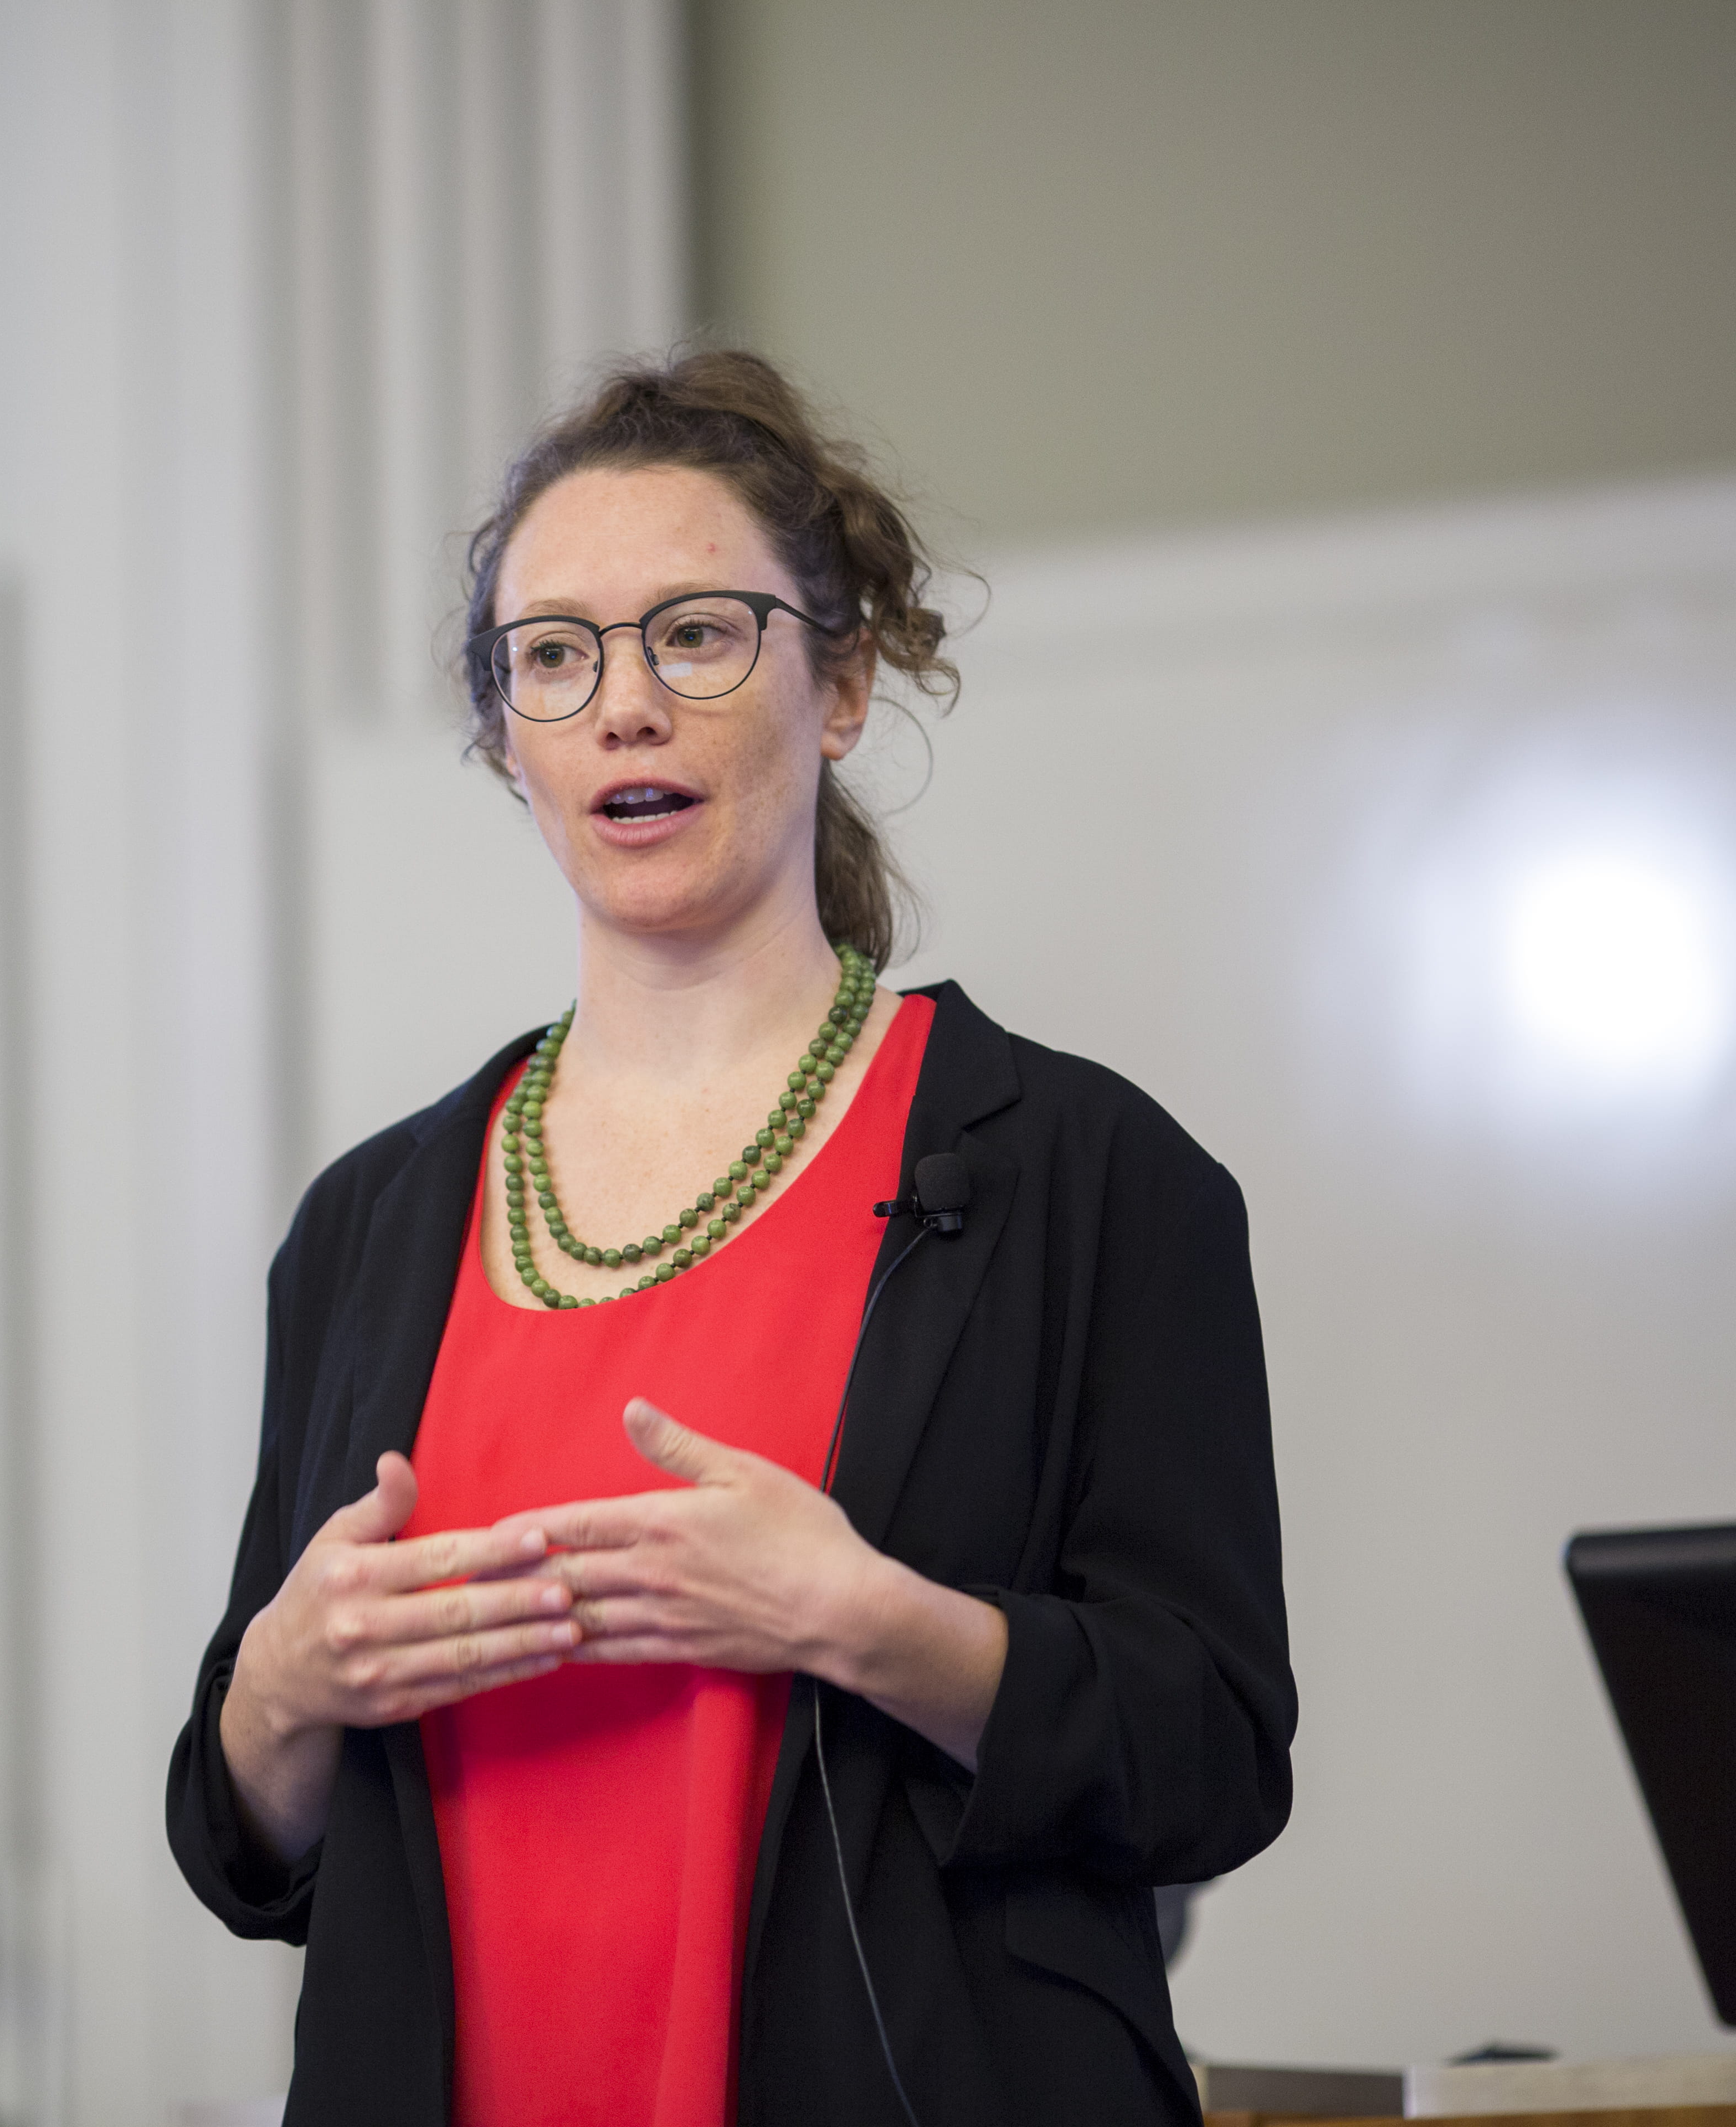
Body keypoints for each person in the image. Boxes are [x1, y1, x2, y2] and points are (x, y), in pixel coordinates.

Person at [167, 353, 1293, 2126]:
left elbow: (1213, 1755)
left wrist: (864, 1621)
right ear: (505, 739)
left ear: (840, 684)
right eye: (554, 657)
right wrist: (281, 1689)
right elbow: (250, 1842)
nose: (625, 705)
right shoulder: (369, 1228)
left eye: (698, 634)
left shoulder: (1090, 1176)